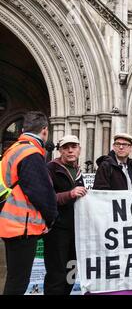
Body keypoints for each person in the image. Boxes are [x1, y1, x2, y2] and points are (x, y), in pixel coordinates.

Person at [0, 111, 58, 295]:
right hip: (22, 227)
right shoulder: (31, 153)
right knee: (18, 282)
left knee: (14, 278)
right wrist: (51, 217)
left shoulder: (14, 148)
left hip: (11, 225)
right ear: (44, 130)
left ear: (24, 129)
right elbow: (41, 192)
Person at [44, 135, 87, 295]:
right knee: (57, 274)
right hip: (57, 230)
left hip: (75, 231)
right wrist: (70, 194)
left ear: (79, 149)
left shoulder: (78, 170)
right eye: (66, 147)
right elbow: (47, 198)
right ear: (60, 150)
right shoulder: (51, 168)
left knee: (71, 272)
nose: (70, 150)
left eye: (74, 147)